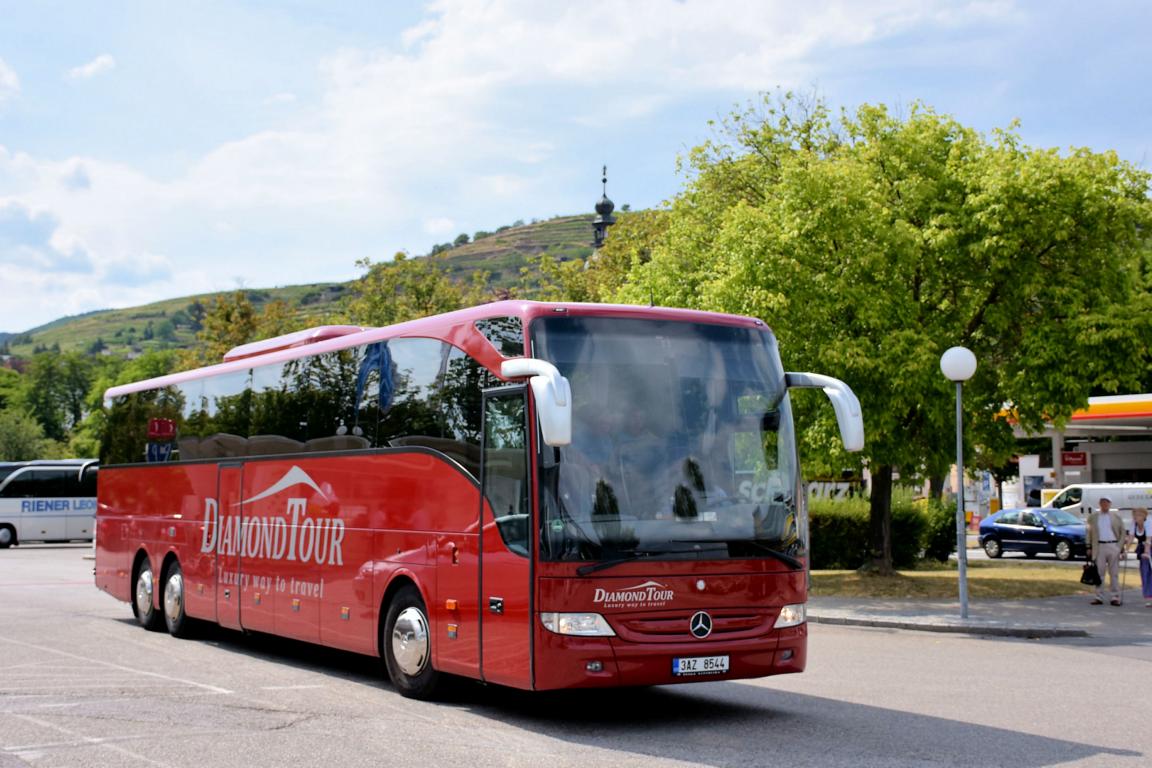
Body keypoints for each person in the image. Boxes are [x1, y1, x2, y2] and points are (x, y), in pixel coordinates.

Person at [1086, 496, 1126, 606]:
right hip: (1099, 546)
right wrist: (1089, 547)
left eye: (1107, 502)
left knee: (1114, 573)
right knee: (1099, 573)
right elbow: (1088, 532)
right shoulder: (1093, 517)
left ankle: (1115, 596)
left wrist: (1119, 547)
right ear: (1099, 504)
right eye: (1102, 502)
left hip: (1113, 545)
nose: (1104, 505)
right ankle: (1099, 596)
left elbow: (1122, 532)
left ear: (1110, 504)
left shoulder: (1116, 517)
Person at [1127, 506, 1152, 607]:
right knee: (1145, 573)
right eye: (1134, 515)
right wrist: (1125, 550)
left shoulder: (1149, 522)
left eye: (1137, 515)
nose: (1135, 517)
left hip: (1149, 547)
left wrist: (1147, 552)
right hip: (1144, 549)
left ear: (1143, 515)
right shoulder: (1134, 523)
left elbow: (1148, 539)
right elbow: (1130, 537)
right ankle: (1150, 597)